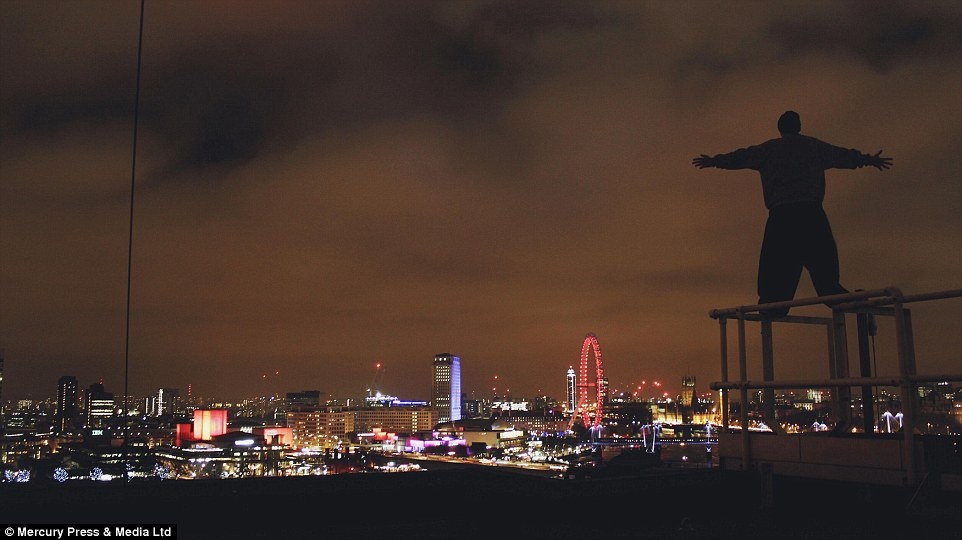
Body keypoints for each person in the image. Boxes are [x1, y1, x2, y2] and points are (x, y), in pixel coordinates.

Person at [692, 110, 892, 316]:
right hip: (811, 216)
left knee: (775, 282)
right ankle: (848, 300)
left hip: (783, 217)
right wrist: (868, 159)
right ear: (798, 127)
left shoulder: (770, 150)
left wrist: (714, 161)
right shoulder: (813, 147)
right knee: (827, 283)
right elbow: (842, 155)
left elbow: (741, 157)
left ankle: (772, 308)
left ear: (780, 128)